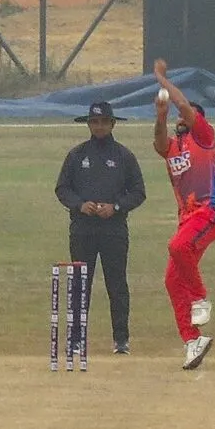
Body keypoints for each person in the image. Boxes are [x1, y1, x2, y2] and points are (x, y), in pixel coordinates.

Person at [151, 58, 215, 371]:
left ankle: (200, 297)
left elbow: (184, 105)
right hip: (189, 220)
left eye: (185, 115)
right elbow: (160, 143)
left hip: (210, 212)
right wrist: (160, 116)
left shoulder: (204, 136)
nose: (180, 117)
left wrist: (161, 79)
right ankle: (192, 341)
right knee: (172, 280)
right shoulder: (174, 146)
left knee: (177, 246)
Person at [54, 100, 148, 355]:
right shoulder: (77, 155)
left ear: (112, 124)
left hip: (113, 230)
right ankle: (76, 339)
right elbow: (62, 188)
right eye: (94, 122)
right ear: (88, 124)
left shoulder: (123, 156)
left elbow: (138, 192)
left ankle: (121, 340)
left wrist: (115, 207)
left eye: (104, 122)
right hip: (82, 230)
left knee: (116, 285)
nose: (99, 127)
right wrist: (80, 205)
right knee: (79, 284)